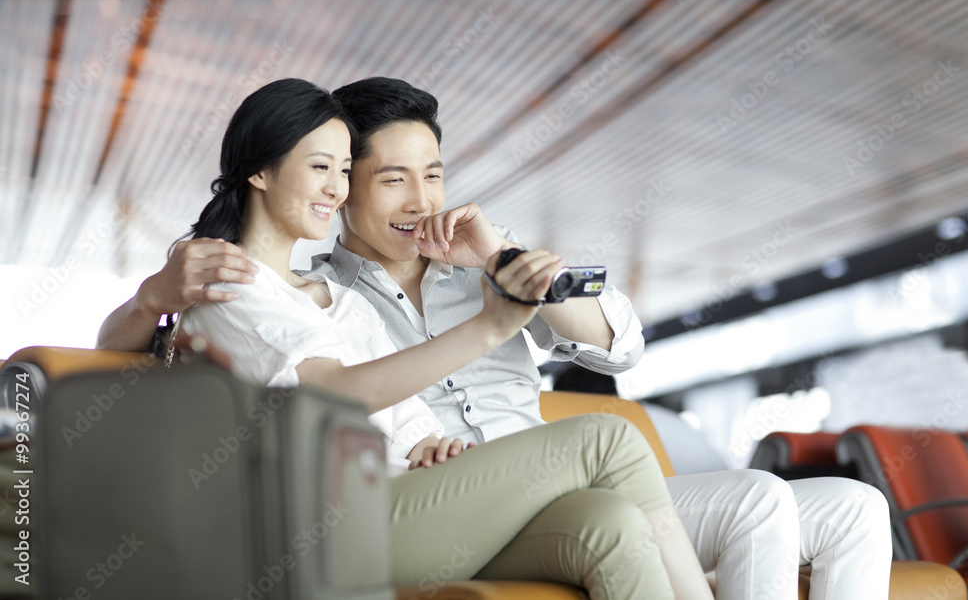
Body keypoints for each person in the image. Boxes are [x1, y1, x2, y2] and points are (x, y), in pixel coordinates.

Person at [99, 77, 892, 600]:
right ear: (308, 187)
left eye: (434, 174)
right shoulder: (307, 287)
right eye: (382, 177)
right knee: (654, 457)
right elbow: (323, 384)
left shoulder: (479, 268)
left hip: (516, 490)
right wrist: (151, 298)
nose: (419, 198)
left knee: (848, 506)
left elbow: (621, 343)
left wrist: (497, 257)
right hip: (396, 510)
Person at [162, 77, 712, 600]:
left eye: (344, 169)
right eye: (323, 168)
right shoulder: (226, 286)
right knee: (606, 439)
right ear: (261, 172)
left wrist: (430, 445)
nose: (335, 186)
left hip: (416, 500)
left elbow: (410, 422)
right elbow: (331, 393)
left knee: (608, 522)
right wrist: (489, 327)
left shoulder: (344, 303)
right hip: (328, 527)